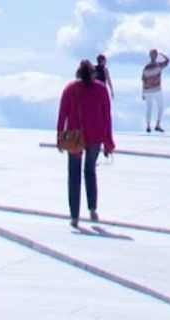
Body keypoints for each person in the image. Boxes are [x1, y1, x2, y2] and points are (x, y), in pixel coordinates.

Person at [56, 59, 116, 228]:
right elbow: (106, 117)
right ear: (92, 73)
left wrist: (60, 137)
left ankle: (74, 216)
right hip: (95, 138)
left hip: (75, 138)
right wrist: (108, 142)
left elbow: (62, 114)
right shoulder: (101, 89)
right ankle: (92, 209)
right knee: (90, 171)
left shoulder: (70, 89)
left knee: (73, 175)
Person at [141, 49, 170, 132]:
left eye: (155, 54)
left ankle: (152, 125)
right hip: (154, 89)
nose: (154, 56)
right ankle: (151, 125)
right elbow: (143, 80)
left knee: (154, 107)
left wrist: (143, 92)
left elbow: (143, 79)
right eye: (154, 54)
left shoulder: (150, 66)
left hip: (151, 89)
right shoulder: (157, 65)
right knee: (156, 107)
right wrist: (162, 54)